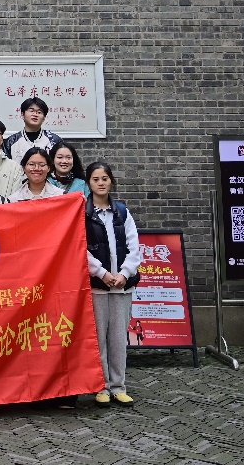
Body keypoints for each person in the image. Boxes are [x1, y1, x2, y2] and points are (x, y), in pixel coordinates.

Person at [85, 161, 142, 407]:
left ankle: (119, 386)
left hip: (122, 286)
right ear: (88, 182)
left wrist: (124, 274)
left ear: (111, 181)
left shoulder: (122, 211)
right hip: (97, 286)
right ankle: (102, 387)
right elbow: (80, 248)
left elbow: (134, 247)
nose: (101, 183)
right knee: (98, 338)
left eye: (105, 178)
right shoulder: (83, 213)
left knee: (119, 338)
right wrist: (101, 273)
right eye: (96, 179)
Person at [3, 97, 61, 162]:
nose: (35, 114)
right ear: (22, 115)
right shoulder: (10, 142)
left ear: (44, 118)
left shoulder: (54, 141)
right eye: (31, 111)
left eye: (39, 112)